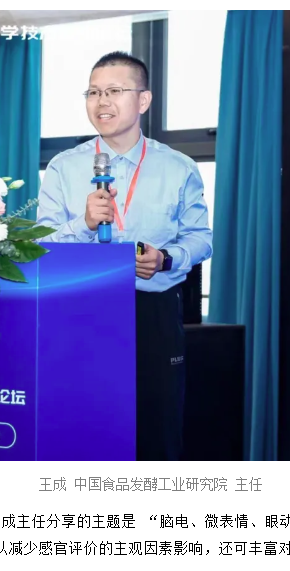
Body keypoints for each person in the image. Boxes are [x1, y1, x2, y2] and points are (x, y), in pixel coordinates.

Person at [36, 51, 213, 461]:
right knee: (82, 430)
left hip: (152, 312)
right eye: (93, 92)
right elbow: (42, 247)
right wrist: (83, 223)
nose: (102, 102)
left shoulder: (179, 167)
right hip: (80, 312)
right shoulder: (63, 167)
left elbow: (201, 238)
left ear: (143, 100)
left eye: (114, 91)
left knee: (156, 432)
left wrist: (165, 258)